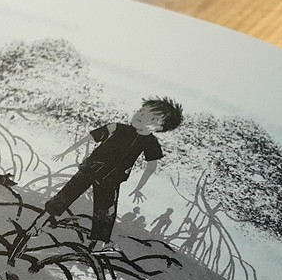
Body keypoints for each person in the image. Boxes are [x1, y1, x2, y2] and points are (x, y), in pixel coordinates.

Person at [25, 97, 183, 253]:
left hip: (112, 179)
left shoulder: (150, 142)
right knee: (66, 195)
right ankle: (38, 224)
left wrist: (139, 187)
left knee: (106, 210)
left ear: (160, 127)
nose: (142, 116)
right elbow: (89, 137)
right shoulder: (116, 127)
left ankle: (98, 245)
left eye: (153, 118)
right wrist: (66, 152)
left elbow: (151, 167)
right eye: (141, 111)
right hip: (91, 168)